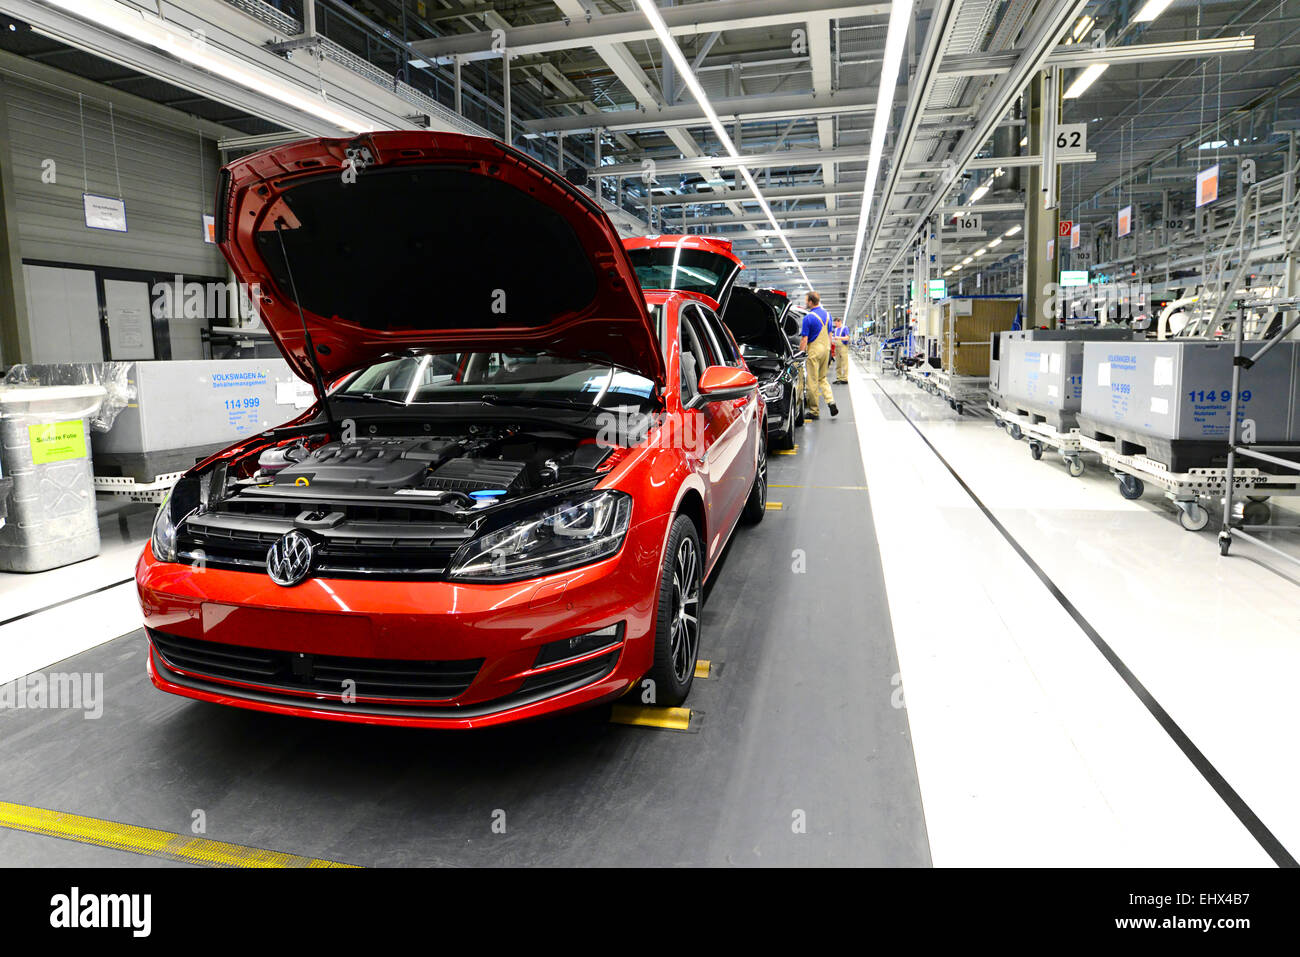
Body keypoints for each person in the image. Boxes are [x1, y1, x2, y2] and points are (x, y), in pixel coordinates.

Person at [800, 291, 837, 419]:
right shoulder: (828, 315)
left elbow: (804, 339)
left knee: (812, 381)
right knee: (823, 378)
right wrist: (831, 351)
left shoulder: (808, 318)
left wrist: (800, 352)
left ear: (810, 302)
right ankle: (831, 401)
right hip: (826, 349)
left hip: (814, 351)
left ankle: (814, 411)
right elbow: (830, 334)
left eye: (806, 301)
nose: (806, 303)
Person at [832, 317, 851, 383]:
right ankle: (839, 378)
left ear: (839, 321)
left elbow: (847, 338)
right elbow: (834, 338)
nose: (835, 325)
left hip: (843, 347)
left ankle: (845, 378)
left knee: (844, 363)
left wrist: (839, 337)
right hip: (837, 347)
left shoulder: (845, 328)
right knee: (838, 364)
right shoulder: (836, 329)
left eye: (836, 323)